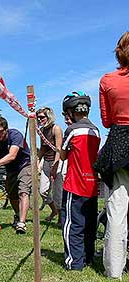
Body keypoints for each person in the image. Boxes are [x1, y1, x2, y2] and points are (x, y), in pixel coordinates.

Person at [94, 31, 129, 279]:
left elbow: (107, 121)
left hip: (120, 142)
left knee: (117, 208)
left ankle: (114, 270)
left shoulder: (107, 80)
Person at [60, 91, 100, 271]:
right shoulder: (96, 131)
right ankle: (88, 257)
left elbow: (62, 155)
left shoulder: (72, 130)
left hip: (75, 184)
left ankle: (74, 263)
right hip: (92, 184)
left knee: (72, 224)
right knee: (89, 224)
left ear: (71, 111)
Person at [0, 116, 31, 234]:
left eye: (0, 131)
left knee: (23, 191)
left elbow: (12, 155)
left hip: (25, 165)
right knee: (12, 195)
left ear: (6, 129)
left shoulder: (15, 135)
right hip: (10, 169)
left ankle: (22, 223)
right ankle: (17, 214)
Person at [36, 107, 63, 223]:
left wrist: (55, 166)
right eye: (38, 117)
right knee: (43, 191)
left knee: (58, 193)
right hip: (47, 162)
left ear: (49, 116)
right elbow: (42, 148)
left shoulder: (56, 129)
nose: (39, 119)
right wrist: (38, 160)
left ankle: (61, 218)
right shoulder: (41, 131)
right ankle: (54, 210)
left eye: (42, 117)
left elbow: (59, 149)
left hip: (58, 162)